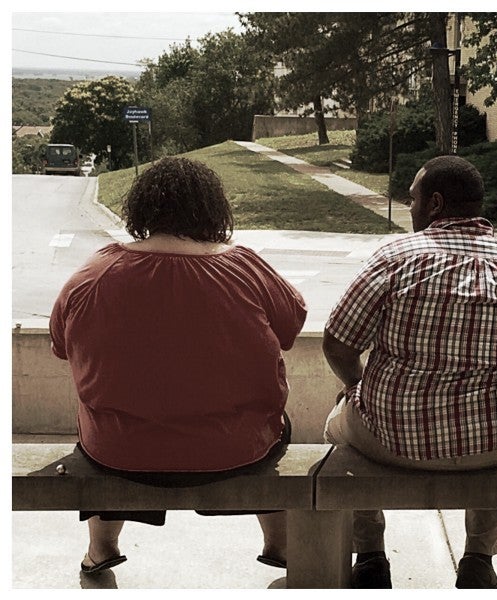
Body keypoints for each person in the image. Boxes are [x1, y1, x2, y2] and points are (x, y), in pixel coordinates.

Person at [49, 156, 306, 575]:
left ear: (141, 209)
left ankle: (101, 549)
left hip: (118, 451)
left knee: (100, 420)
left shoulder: (94, 273)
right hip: (237, 449)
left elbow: (62, 346)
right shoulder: (244, 268)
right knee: (274, 429)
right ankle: (279, 544)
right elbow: (290, 329)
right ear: (211, 209)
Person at [322, 155, 497, 589]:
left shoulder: (394, 258)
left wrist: (356, 387)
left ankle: (370, 553)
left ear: (435, 204)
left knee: (336, 425)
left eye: (412, 199)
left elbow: (337, 344)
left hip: (394, 439)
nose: (409, 208)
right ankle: (478, 558)